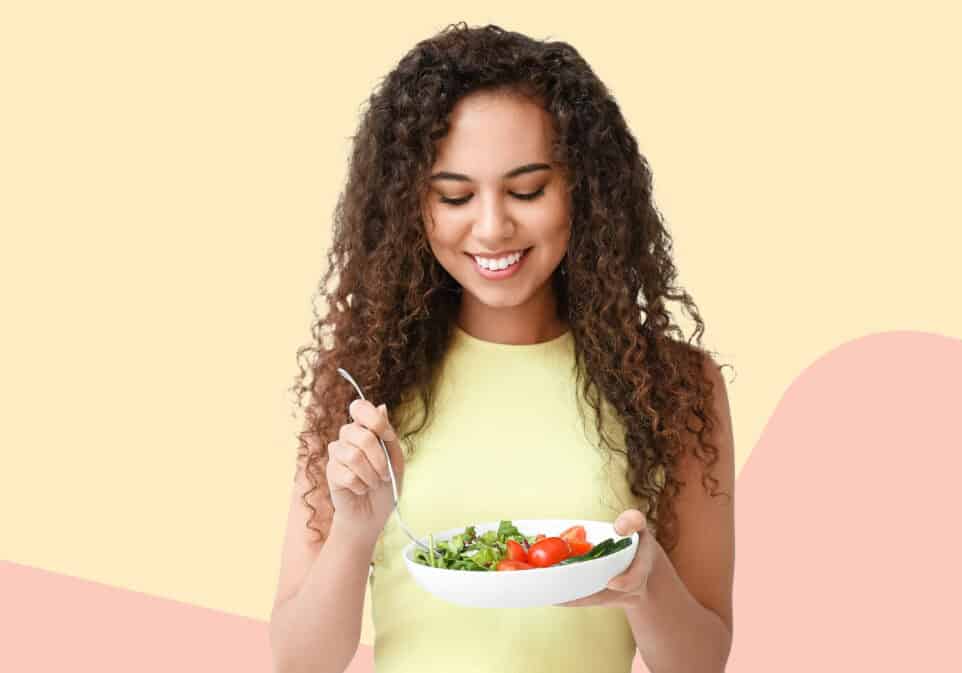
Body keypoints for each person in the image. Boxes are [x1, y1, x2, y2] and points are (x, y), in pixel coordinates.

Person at [269, 22, 735, 673]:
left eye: (527, 190)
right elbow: (298, 660)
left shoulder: (674, 385)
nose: (492, 228)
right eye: (455, 195)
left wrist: (645, 578)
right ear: (411, 205)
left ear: (586, 190)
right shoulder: (360, 386)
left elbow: (702, 661)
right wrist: (353, 531)